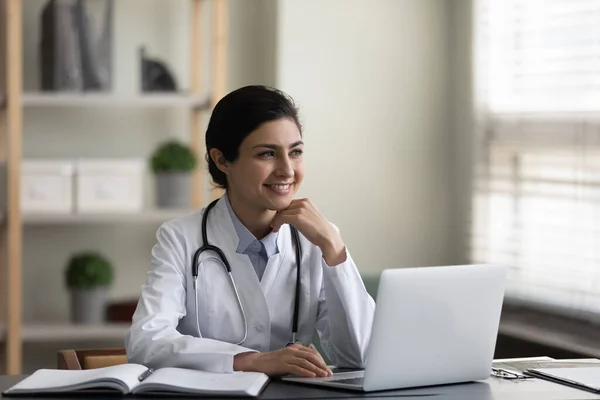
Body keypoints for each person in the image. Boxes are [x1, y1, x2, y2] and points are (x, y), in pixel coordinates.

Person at [124, 85, 375, 378]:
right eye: (267, 153)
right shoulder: (180, 238)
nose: (287, 170)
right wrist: (251, 361)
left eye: (295, 152)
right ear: (222, 160)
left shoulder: (316, 240)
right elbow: (146, 342)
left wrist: (333, 248)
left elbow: (360, 356)